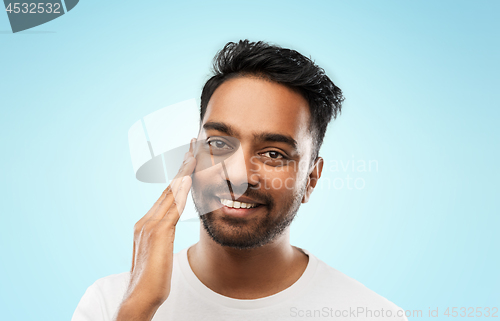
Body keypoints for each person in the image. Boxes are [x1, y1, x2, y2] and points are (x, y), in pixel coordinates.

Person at [72, 40, 407, 321]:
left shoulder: (371, 314)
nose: (238, 175)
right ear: (192, 155)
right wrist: (139, 308)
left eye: (273, 154)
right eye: (219, 144)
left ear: (311, 179)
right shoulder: (110, 303)